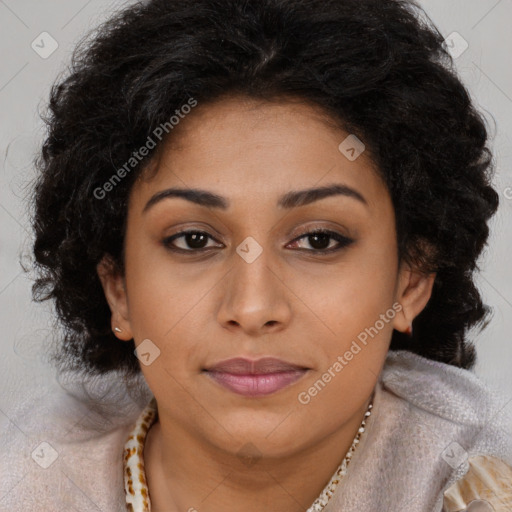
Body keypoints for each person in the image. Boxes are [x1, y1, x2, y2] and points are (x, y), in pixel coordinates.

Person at [5, 0, 511, 510]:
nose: (252, 308)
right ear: (119, 290)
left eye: (318, 240)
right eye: (194, 240)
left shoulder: (484, 484)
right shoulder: (29, 479)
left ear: (411, 281)